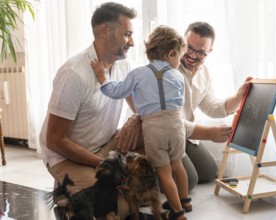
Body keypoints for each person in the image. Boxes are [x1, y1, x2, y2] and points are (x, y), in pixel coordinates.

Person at [39, 2, 141, 219]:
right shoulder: (74, 74)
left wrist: (137, 118)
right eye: (127, 34)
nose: (132, 41)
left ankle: (72, 187)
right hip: (65, 155)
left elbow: (140, 108)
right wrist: (105, 165)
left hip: (105, 145)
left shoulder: (123, 66)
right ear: (105, 31)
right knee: (119, 210)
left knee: (148, 132)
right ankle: (65, 193)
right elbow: (55, 140)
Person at [91, 25, 190, 220]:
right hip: (176, 124)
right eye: (179, 56)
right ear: (171, 53)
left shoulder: (138, 74)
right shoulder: (177, 75)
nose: (179, 61)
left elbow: (117, 91)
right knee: (178, 165)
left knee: (164, 171)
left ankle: (177, 213)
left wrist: (102, 77)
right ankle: (185, 201)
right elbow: (181, 102)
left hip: (154, 128)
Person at [178, 21, 253, 191]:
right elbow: (169, 121)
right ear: (181, 42)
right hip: (168, 134)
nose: (192, 55)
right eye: (188, 47)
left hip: (187, 133)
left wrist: (238, 96)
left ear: (209, 52)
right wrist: (207, 133)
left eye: (200, 52)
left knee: (208, 172)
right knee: (189, 182)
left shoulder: (204, 72)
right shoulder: (170, 69)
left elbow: (211, 106)